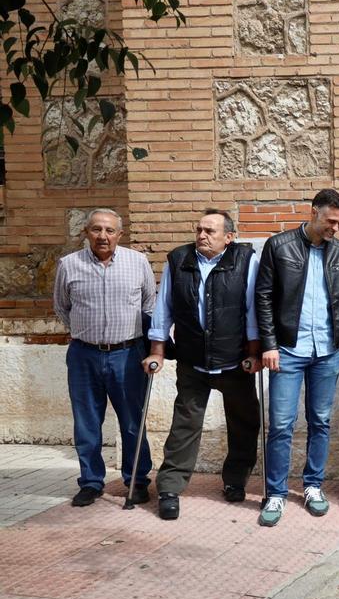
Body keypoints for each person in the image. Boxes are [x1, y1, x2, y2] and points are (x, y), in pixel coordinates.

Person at [144, 209, 261, 520]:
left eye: (210, 230)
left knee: (244, 423)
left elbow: (251, 309)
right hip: (192, 360)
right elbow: (163, 307)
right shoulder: (178, 260)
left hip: (234, 361)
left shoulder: (245, 260)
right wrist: (157, 350)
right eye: (198, 229)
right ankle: (169, 488)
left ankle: (235, 481)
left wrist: (254, 352)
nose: (201, 235)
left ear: (229, 237)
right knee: (184, 425)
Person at [255, 189, 339, 527]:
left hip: (328, 351)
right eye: (331, 221)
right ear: (314, 212)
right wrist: (268, 344)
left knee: (321, 421)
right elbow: (264, 296)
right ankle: (275, 493)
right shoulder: (279, 245)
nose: (336, 228)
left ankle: (313, 486)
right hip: (287, 349)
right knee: (282, 424)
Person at [53, 208, 157, 507]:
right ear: (86, 232)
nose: (103, 236)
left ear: (119, 234)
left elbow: (149, 304)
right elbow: (61, 307)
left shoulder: (137, 262)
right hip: (84, 354)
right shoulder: (69, 265)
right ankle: (90, 482)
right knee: (86, 422)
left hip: (128, 353)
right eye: (96, 229)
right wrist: (83, 331)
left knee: (132, 422)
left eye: (110, 230)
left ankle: (136, 480)